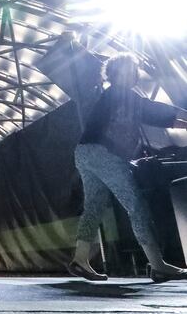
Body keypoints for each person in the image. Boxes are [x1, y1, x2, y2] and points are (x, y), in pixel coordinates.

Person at [68, 53, 187, 282]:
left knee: (94, 206)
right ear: (118, 73)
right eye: (130, 69)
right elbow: (156, 111)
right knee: (136, 205)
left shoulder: (117, 97)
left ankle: (80, 260)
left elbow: (158, 116)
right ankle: (158, 265)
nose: (134, 73)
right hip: (103, 153)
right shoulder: (119, 94)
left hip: (85, 153)